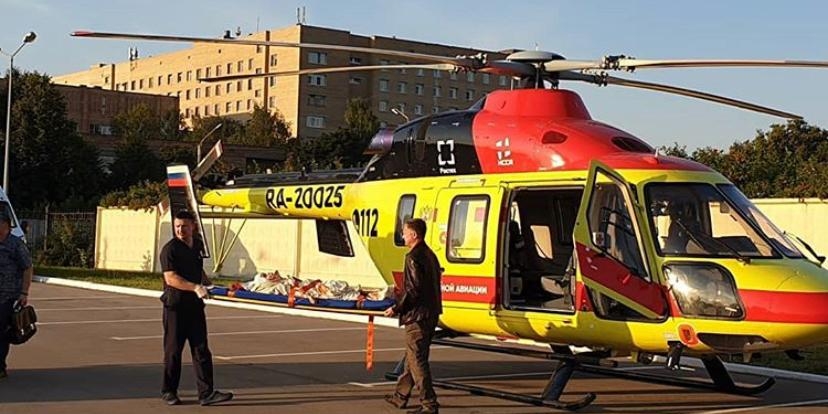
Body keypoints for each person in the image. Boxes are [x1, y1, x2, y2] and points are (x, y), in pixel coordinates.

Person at [159, 210, 233, 406]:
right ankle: (169, 391)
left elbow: (198, 270)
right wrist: (195, 287)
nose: (180, 230)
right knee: (173, 351)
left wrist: (210, 285)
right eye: (177, 226)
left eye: (184, 226)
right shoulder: (170, 250)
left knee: (201, 350)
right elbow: (171, 278)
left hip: (195, 307)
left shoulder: (197, 245)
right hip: (175, 307)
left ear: (193, 226)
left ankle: (206, 394)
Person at [384, 218, 442, 414]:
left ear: (414, 235)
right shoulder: (430, 255)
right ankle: (400, 396)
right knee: (412, 357)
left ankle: (429, 403)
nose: (402, 236)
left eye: (405, 232)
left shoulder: (413, 257)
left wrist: (397, 308)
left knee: (417, 360)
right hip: (430, 313)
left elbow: (413, 290)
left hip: (417, 316)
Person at [0, 212, 33, 380]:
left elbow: (27, 268)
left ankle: (0, 366)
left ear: (7, 226)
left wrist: (24, 292)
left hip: (8, 296)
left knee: (1, 331)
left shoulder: (15, 245)